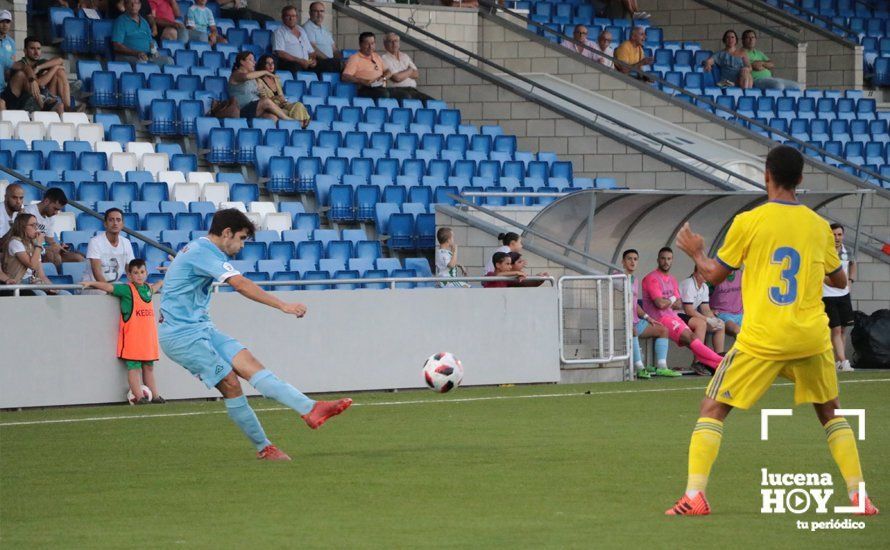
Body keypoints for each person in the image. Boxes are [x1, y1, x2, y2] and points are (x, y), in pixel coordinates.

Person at [668, 145, 878, 516]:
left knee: (712, 408)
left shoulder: (750, 221)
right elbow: (840, 279)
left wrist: (697, 253)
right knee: (831, 412)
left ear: (766, 175)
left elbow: (716, 274)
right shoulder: (818, 226)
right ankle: (859, 498)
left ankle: (695, 496)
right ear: (800, 179)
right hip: (810, 337)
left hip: (763, 338)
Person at [158, 209, 352, 460]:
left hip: (202, 328)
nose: (241, 246)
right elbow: (240, 284)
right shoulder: (202, 252)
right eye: (241, 238)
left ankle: (311, 409)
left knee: (250, 364)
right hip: (181, 336)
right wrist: (283, 305)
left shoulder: (204, 251)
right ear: (226, 233)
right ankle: (264, 448)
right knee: (230, 382)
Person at [82, 259, 166, 404]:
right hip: (133, 338)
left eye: (142, 272)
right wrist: (92, 283)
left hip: (148, 339)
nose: (139, 275)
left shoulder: (148, 289)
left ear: (146, 273)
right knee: (134, 368)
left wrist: (163, 280)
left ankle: (155, 395)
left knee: (149, 367)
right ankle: (139, 397)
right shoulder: (127, 290)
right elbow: (108, 287)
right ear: (129, 275)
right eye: (135, 273)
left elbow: (156, 285)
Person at [641, 247, 724, 375]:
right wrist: (671, 300)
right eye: (663, 258)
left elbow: (679, 304)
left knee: (693, 340)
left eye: (669, 259)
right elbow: (660, 304)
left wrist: (669, 301)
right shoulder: (651, 278)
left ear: (672, 260)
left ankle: (714, 364)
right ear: (658, 260)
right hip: (660, 318)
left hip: (673, 316)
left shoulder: (673, 280)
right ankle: (720, 361)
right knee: (692, 338)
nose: (666, 262)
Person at [622, 248, 675, 379]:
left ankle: (662, 367)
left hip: (637, 321)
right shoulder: (618, 278)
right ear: (623, 262)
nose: (632, 262)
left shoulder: (634, 280)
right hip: (623, 323)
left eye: (635, 259)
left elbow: (634, 305)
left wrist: (647, 317)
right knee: (632, 330)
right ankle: (639, 368)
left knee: (663, 330)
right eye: (629, 259)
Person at [23, 187, 85, 270]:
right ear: (46, 201)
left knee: (78, 258)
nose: (56, 213)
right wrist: (46, 247)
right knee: (52, 256)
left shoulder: (50, 217)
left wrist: (59, 246)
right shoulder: (28, 212)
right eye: (55, 209)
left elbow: (50, 240)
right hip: (31, 250)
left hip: (43, 249)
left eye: (58, 210)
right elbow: (24, 240)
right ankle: (53, 280)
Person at [823, 223, 856, 373]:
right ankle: (844, 360)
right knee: (835, 329)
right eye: (833, 234)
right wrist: (833, 283)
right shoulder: (824, 251)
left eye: (839, 234)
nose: (836, 238)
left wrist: (849, 282)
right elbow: (819, 273)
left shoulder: (847, 251)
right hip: (828, 296)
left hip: (843, 295)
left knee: (843, 329)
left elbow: (853, 264)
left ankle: (838, 361)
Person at [1, 37, 65, 115]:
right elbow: (39, 83)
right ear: (25, 51)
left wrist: (42, 67)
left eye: (38, 49)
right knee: (22, 74)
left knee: (59, 72)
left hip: (37, 102)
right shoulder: (19, 65)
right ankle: (46, 100)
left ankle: (68, 107)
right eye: (32, 48)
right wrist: (55, 68)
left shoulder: (40, 63)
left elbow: (60, 60)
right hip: (19, 104)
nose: (36, 52)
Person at [81, 208, 136, 294]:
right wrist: (110, 290)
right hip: (93, 286)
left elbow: (131, 270)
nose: (115, 223)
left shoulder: (126, 242)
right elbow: (97, 273)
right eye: (111, 220)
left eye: (118, 220)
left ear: (122, 224)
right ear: (105, 224)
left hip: (112, 286)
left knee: (128, 290)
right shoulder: (95, 242)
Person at [228, 52, 295, 121]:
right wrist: (265, 72)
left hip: (256, 108)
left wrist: (261, 92)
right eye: (251, 60)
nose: (254, 62)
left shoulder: (253, 79)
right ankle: (289, 120)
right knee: (266, 101)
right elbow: (247, 76)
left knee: (272, 117)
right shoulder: (236, 74)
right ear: (242, 62)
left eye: (254, 60)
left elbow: (258, 93)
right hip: (242, 110)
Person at [1, 213, 57, 295]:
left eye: (36, 225)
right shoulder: (15, 242)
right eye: (33, 225)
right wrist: (39, 245)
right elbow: (32, 265)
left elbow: (41, 275)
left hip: (34, 281)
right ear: (22, 227)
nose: (36, 228)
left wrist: (52, 287)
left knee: (64, 293)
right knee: (41, 295)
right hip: (18, 282)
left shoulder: (34, 244)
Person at [679, 266, 726, 356]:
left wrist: (713, 319)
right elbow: (689, 310)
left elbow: (705, 309)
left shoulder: (705, 286)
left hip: (689, 316)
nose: (705, 275)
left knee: (721, 324)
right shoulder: (689, 284)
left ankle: (719, 358)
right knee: (701, 324)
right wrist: (708, 320)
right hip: (677, 314)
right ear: (695, 273)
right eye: (701, 273)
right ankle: (698, 362)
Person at [254, 55, 310, 128]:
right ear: (262, 65)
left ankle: (296, 128)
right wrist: (276, 98)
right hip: (272, 107)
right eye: (268, 63)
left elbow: (281, 96)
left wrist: (283, 100)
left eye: (272, 63)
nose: (271, 65)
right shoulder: (259, 80)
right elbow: (263, 100)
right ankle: (298, 128)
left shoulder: (277, 79)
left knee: (299, 105)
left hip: (282, 104)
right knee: (291, 112)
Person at [112, 0, 172, 65]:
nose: (133, 6)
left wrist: (154, 52)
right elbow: (117, 46)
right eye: (130, 3)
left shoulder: (144, 22)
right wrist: (137, 53)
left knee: (169, 60)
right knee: (142, 62)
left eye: (136, 3)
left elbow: (150, 41)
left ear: (140, 6)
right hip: (128, 56)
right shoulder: (120, 21)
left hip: (147, 56)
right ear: (125, 5)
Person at [342, 32, 391, 99]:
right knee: (384, 94)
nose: (370, 47)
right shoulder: (355, 58)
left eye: (372, 43)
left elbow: (388, 71)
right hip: (365, 88)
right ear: (360, 44)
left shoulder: (376, 56)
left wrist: (383, 78)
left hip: (381, 87)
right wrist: (363, 81)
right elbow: (345, 77)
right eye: (367, 44)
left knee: (403, 95)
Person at [381, 32, 429, 101]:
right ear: (385, 45)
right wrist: (409, 70)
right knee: (407, 98)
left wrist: (402, 73)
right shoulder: (384, 58)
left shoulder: (405, 56)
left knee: (431, 102)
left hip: (412, 90)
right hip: (396, 90)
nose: (394, 44)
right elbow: (397, 78)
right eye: (390, 42)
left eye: (396, 41)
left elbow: (416, 74)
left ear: (399, 43)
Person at [273, 5, 316, 73]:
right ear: (283, 18)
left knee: (327, 64)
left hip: (306, 63)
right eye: (288, 16)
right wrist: (300, 61)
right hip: (290, 63)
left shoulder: (301, 30)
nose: (291, 18)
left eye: (293, 16)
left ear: (297, 18)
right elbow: (280, 53)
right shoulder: (279, 32)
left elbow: (312, 52)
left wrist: (312, 61)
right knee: (295, 66)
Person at [302, 2, 342, 74]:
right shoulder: (307, 27)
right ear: (310, 13)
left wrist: (341, 59)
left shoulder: (325, 29)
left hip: (330, 63)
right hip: (319, 62)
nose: (319, 14)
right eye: (316, 11)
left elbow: (334, 49)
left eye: (321, 11)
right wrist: (329, 60)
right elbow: (312, 49)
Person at [708, 268, 742, 338]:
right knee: (737, 330)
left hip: (740, 313)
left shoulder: (741, 274)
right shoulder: (714, 276)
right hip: (722, 313)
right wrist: (709, 310)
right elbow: (700, 294)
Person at [0, 11, 15, 96]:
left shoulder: (11, 42)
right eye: (2, 21)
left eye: (7, 22)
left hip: (4, 87)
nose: (5, 25)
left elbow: (12, 63)